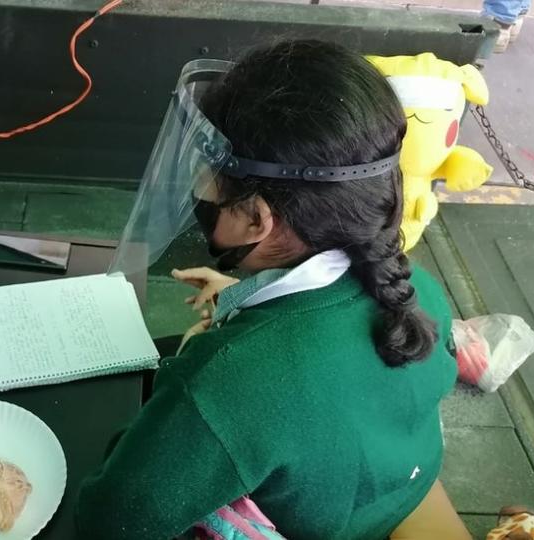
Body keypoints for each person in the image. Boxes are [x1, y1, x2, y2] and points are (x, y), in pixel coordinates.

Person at [75, 40, 468, 539]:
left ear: (258, 218)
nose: (198, 185)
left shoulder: (225, 387)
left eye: (207, 175)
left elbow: (113, 520)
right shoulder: (419, 292)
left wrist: (210, 360)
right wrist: (246, 299)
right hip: (374, 499)